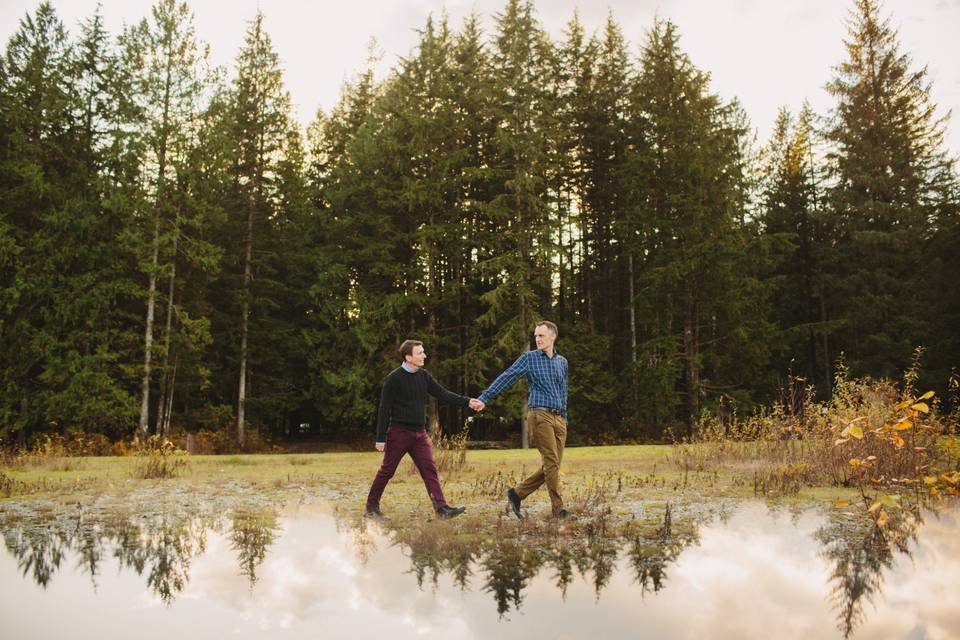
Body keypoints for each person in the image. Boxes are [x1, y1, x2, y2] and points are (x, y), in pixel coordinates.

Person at [365, 339, 483, 519]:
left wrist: (468, 401)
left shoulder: (424, 376)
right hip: (399, 433)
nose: (424, 356)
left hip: (419, 434)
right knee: (387, 471)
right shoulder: (393, 379)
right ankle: (371, 508)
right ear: (408, 357)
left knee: (429, 469)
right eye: (420, 353)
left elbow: (443, 394)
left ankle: (441, 509)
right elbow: (384, 408)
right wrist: (380, 438)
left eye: (423, 352)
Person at [475, 321, 570, 519]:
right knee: (551, 462)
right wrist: (485, 397)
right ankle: (558, 510)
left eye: (541, 336)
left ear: (553, 337)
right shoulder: (530, 358)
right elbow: (507, 377)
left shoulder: (562, 361)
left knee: (552, 466)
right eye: (535, 335)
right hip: (539, 415)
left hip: (559, 418)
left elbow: (564, 391)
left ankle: (517, 494)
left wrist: (565, 417)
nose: (537, 339)